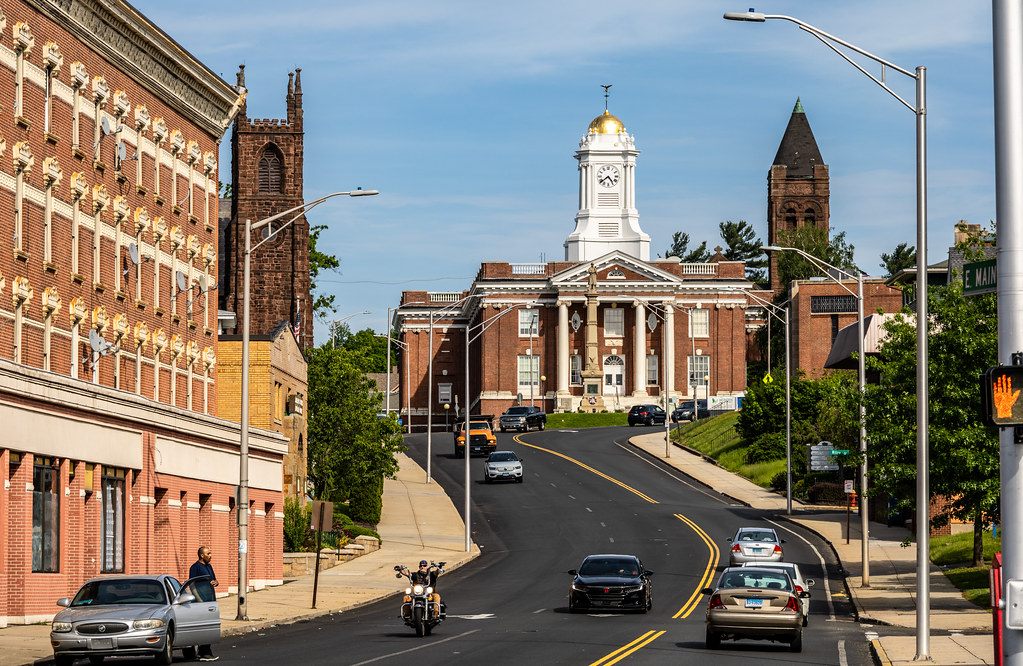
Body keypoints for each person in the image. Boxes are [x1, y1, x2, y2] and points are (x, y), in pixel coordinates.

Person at [188, 546, 219, 662]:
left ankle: (206, 651)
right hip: (201, 602)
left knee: (210, 627)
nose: (210, 556)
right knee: (203, 627)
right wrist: (199, 599)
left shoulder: (209, 566)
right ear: (202, 555)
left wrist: (216, 582)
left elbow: (214, 580)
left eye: (210, 553)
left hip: (210, 601)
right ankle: (203, 652)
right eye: (208, 554)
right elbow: (192, 585)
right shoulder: (195, 567)